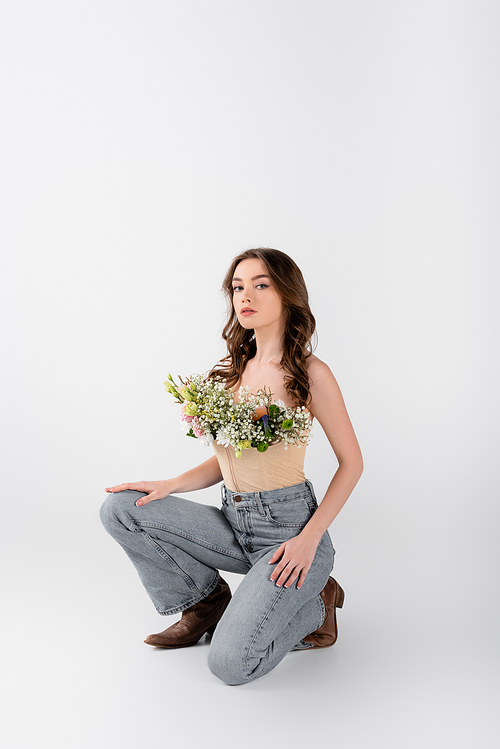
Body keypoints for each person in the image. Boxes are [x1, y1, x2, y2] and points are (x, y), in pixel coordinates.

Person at [100, 247, 363, 685]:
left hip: (290, 537)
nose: (246, 296)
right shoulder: (233, 371)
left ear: (287, 294)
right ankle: (205, 602)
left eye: (261, 284)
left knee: (230, 665)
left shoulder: (310, 372)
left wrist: (309, 541)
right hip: (234, 521)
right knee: (123, 509)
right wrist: (170, 484)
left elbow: (351, 464)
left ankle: (318, 605)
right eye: (238, 287)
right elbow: (229, 460)